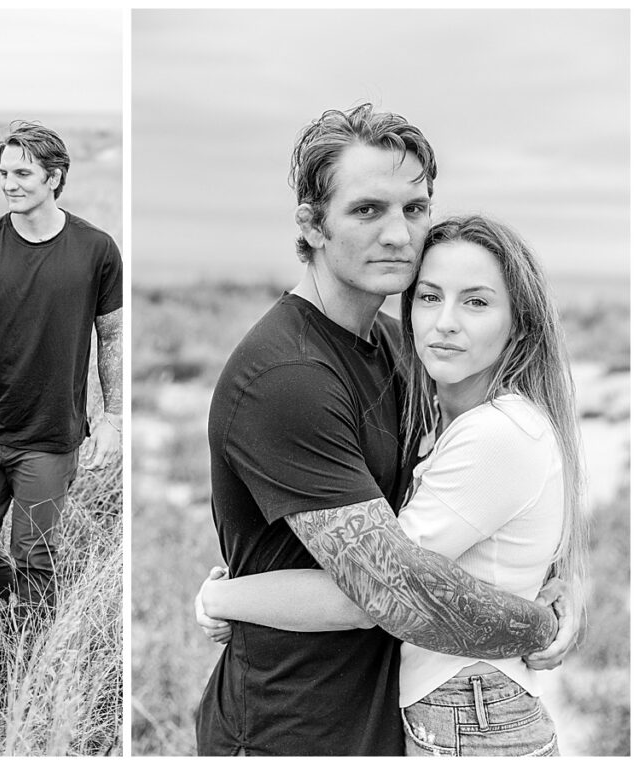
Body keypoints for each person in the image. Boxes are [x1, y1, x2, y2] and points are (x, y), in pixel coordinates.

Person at [192, 104, 574, 756]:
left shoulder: (401, 347)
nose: (400, 233)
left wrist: (558, 578)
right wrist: (539, 624)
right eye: (368, 210)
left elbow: (478, 489)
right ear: (312, 226)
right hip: (288, 725)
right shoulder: (288, 377)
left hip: (383, 717)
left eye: (416, 208)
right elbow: (386, 589)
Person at [0, 121, 122, 615]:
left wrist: (114, 417)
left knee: (33, 555)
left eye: (22, 173)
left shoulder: (96, 250)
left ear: (55, 177)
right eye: (3, 173)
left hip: (50, 435)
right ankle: (22, 601)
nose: (9, 184)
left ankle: (30, 657)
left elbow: (112, 335)